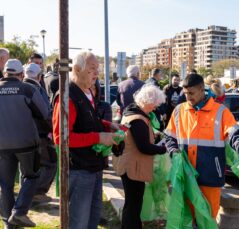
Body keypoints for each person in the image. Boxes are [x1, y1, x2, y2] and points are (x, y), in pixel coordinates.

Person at [165, 73, 239, 219]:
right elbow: (169, 136)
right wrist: (173, 151)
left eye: (191, 93)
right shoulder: (179, 111)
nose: (188, 97)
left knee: (207, 219)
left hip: (210, 177)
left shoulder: (220, 111)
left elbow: (235, 133)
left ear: (202, 89)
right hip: (185, 176)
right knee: (186, 218)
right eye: (185, 93)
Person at [52, 51, 119, 229]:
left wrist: (107, 125)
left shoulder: (87, 91)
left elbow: (88, 120)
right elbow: (61, 138)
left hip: (93, 166)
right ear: (77, 69)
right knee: (78, 221)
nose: (97, 73)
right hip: (79, 169)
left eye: (97, 69)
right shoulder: (67, 96)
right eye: (92, 69)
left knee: (92, 217)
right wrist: (98, 137)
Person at [0, 59, 49, 228]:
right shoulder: (28, 89)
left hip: (1, 146)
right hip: (27, 144)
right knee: (31, 176)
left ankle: (8, 224)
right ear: (21, 75)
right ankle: (19, 212)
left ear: (5, 73)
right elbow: (45, 113)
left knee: (5, 185)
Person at [113, 85, 167, 229]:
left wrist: (152, 137)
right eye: (155, 103)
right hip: (133, 168)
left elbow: (137, 139)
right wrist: (163, 149)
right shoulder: (138, 119)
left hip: (128, 165)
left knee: (132, 203)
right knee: (133, 205)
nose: (155, 107)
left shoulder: (131, 113)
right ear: (148, 101)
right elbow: (144, 147)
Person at [23, 63, 56, 203]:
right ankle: (37, 193)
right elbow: (45, 113)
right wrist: (53, 129)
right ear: (39, 76)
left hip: (23, 135)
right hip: (40, 133)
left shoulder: (20, 87)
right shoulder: (35, 89)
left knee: (28, 168)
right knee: (51, 163)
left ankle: (28, 197)